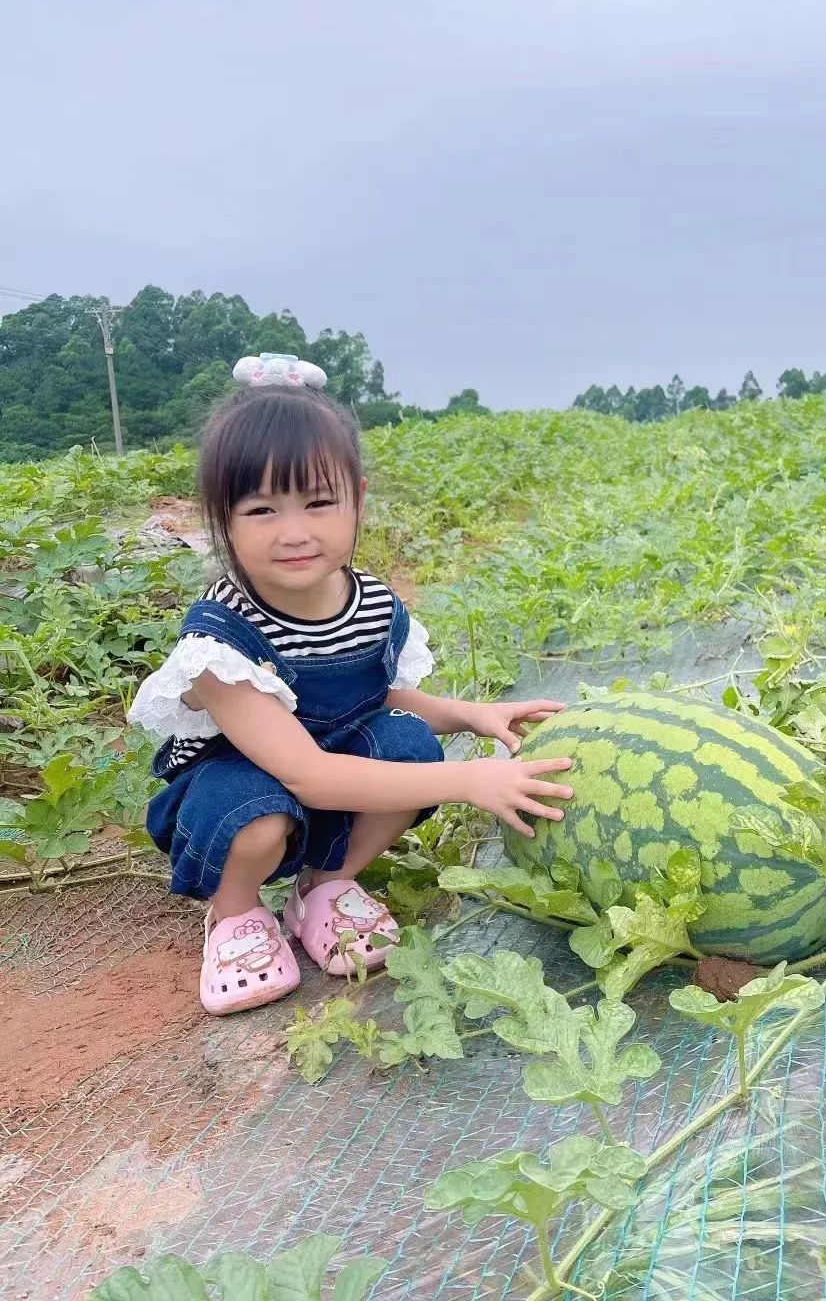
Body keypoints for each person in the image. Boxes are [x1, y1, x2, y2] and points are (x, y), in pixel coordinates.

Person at [129, 358, 572, 1016]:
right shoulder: (222, 642)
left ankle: (327, 888)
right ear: (221, 518)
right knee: (256, 813)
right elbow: (307, 775)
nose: (295, 532)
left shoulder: (368, 604)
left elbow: (375, 698)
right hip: (242, 794)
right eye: (261, 509)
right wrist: (470, 782)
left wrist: (473, 715)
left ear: (357, 499)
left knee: (409, 744)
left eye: (318, 502)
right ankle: (236, 916)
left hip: (332, 779)